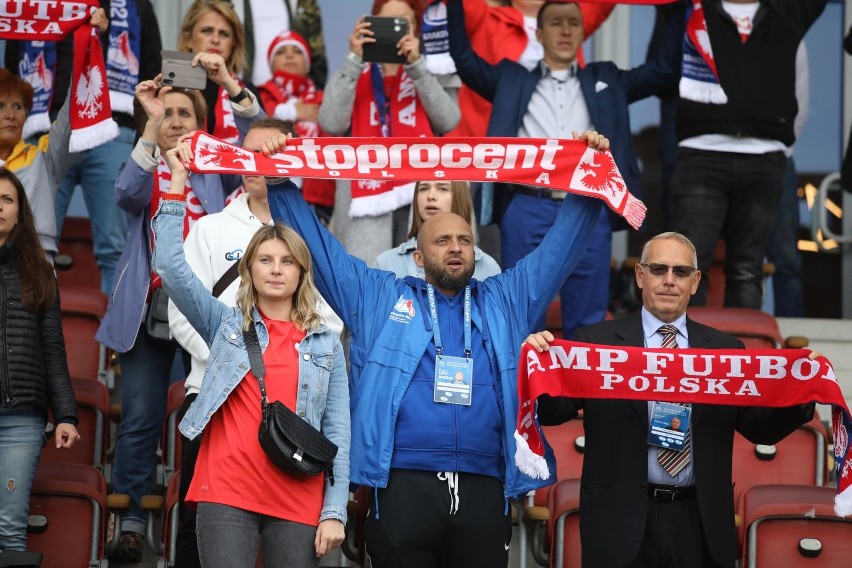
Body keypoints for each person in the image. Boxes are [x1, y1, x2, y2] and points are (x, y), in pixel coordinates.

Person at [264, 129, 608, 567]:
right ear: (419, 256)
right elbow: (320, 249)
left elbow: (557, 252)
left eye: (464, 241)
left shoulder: (504, 299)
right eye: (442, 241)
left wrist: (589, 177)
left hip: (485, 483)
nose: (455, 248)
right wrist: (278, 182)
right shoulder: (380, 297)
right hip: (403, 480)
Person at [529, 231, 817, 567]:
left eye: (680, 272)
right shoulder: (598, 344)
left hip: (700, 523)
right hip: (619, 524)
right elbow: (553, 411)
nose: (669, 281)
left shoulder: (726, 351)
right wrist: (539, 364)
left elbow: (759, 429)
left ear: (695, 282)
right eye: (658, 270)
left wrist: (802, 394)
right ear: (640, 275)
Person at [153, 142, 349, 567]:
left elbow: (337, 430)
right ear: (250, 269)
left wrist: (334, 511)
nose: (276, 269)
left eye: (286, 261)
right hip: (225, 491)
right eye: (265, 259)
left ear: (301, 272)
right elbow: (169, 267)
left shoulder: (324, 341)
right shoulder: (224, 325)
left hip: (298, 492)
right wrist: (177, 183)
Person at [448, 0, 683, 339]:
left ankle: (579, 393)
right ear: (539, 33)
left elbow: (662, 69)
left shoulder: (606, 78)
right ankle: (524, 392)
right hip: (528, 204)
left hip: (587, 206)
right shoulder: (512, 78)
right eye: (556, 22)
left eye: (574, 22)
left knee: (588, 319)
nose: (566, 29)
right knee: (522, 312)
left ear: (583, 32)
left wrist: (674, 10)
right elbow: (463, 59)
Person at [95, 76, 258, 563]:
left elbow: (257, 145)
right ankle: (131, 524)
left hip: (204, 313)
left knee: (198, 417)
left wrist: (232, 86)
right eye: (167, 113)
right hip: (149, 312)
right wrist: (148, 123)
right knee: (143, 416)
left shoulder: (215, 169)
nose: (175, 121)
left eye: (185, 113)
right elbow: (124, 192)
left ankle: (196, 517)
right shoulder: (144, 165)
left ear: (201, 126)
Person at [669, 0, 826, 308]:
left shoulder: (787, 17)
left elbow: (799, 97)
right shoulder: (692, 10)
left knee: (747, 270)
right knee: (689, 268)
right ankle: (686, 355)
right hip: (702, 155)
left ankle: (741, 356)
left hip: (763, 159)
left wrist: (780, 145)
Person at [319, 0, 461, 264]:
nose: (395, 32)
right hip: (365, 196)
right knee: (369, 286)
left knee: (424, 277)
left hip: (420, 192)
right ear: (369, 26)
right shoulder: (354, 72)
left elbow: (448, 120)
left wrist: (417, 66)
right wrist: (353, 58)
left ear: (417, 29)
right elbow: (330, 123)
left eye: (403, 23)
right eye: (386, 23)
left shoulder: (433, 69)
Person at [48, 0, 162, 293]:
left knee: (115, 247)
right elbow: (20, 54)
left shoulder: (138, 5)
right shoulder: (51, 2)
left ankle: (115, 338)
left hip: (114, 128)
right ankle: (24, 335)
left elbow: (151, 69)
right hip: (53, 128)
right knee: (36, 241)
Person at [0, 168, 80, 553]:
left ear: (20, 212)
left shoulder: (40, 272)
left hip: (21, 420)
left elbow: (53, 348)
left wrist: (65, 415)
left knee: (10, 529)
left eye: (7, 199)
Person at [258, 31, 335, 220]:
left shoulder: (323, 99)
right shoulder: (261, 94)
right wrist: (292, 112)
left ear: (308, 62)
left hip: (315, 197)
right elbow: (255, 120)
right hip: (271, 190)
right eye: (281, 51)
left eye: (297, 51)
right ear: (271, 62)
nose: (289, 55)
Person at [375, 180, 500, 279]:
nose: (431, 196)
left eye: (443, 188)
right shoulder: (386, 263)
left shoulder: (487, 267)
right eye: (423, 188)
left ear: (460, 197)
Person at [177, 0, 260, 145]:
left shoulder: (246, 92)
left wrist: (230, 85)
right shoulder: (170, 85)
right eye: (207, 31)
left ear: (233, 44)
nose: (215, 40)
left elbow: (263, 140)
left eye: (224, 34)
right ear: (188, 38)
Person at [229, 0, 328, 88]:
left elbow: (317, 54)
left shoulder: (304, 3)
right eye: (281, 52)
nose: (289, 55)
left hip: (300, 102)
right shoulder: (226, 2)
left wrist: (312, 99)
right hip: (239, 96)